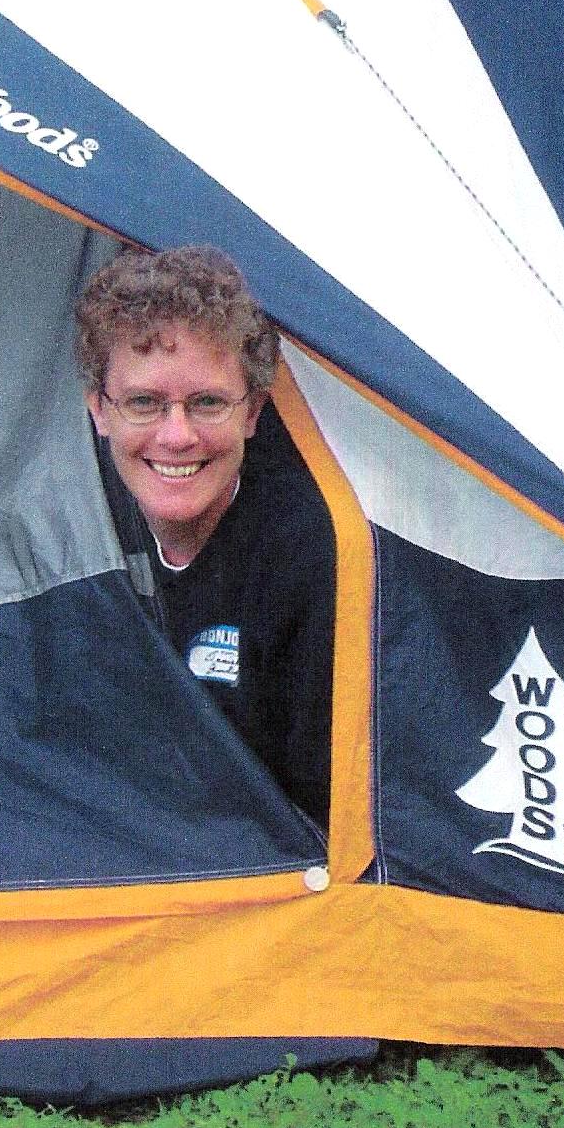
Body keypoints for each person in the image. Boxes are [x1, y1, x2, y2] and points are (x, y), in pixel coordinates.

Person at [74, 245, 335, 827]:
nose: (177, 436)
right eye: (144, 403)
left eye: (208, 403)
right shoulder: (73, 528)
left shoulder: (309, 560)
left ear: (253, 412)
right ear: (99, 411)